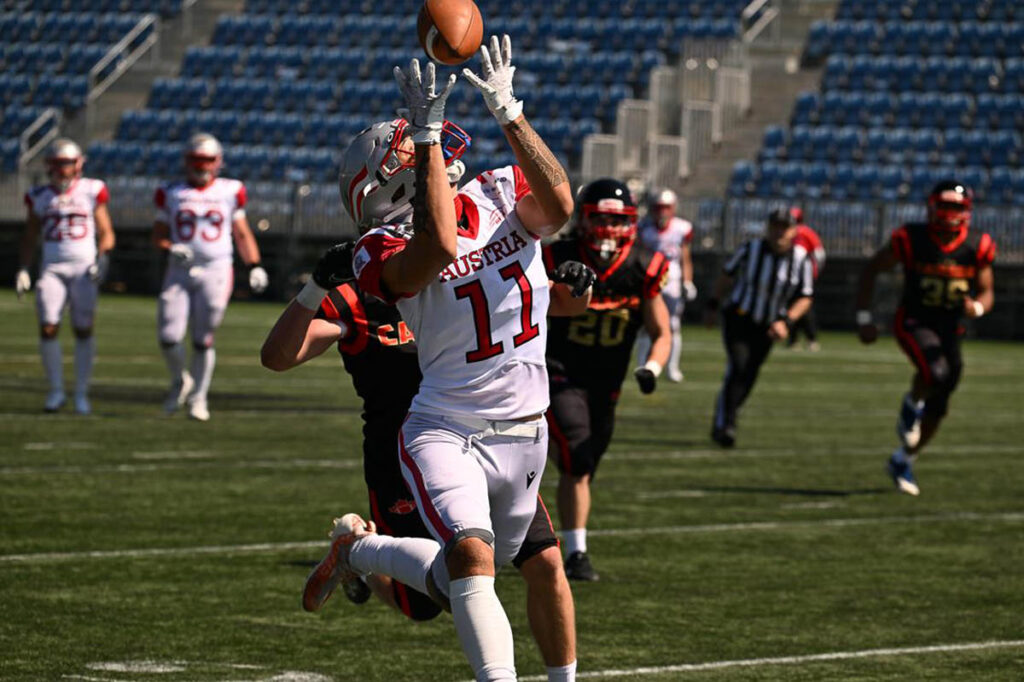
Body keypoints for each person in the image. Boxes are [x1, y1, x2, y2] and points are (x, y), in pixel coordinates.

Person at [303, 38, 576, 682]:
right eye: (416, 148)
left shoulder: (498, 191)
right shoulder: (377, 248)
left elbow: (560, 207)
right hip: (447, 428)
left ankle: (362, 548)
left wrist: (510, 111)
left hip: (525, 430)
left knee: (475, 570)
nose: (441, 151)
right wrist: (424, 138)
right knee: (474, 559)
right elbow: (441, 245)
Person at [260, 240, 594, 677]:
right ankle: (360, 552)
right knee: (430, 602)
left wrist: (577, 283)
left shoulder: (470, 257)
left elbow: (561, 305)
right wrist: (316, 287)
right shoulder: (361, 290)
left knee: (544, 562)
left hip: (486, 437)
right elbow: (278, 357)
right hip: (408, 450)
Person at [543, 178, 672, 582]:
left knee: (583, 465)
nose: (609, 229)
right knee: (577, 458)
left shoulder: (642, 266)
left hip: (606, 385)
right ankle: (577, 553)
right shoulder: (557, 256)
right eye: (600, 218)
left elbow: (661, 330)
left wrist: (652, 367)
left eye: (618, 221)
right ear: (583, 219)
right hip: (556, 372)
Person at [855, 180, 995, 496]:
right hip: (913, 320)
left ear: (967, 212)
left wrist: (977, 307)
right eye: (944, 206)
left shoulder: (977, 245)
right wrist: (864, 317)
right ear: (932, 206)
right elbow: (871, 269)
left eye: (956, 208)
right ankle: (911, 403)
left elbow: (987, 292)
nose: (949, 214)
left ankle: (904, 459)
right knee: (936, 371)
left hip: (951, 329)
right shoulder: (912, 238)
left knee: (941, 400)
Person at [151, 132, 269, 422]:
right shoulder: (171, 192)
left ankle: (199, 398)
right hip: (179, 270)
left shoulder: (230, 190)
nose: (201, 166)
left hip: (216, 268)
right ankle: (181, 379)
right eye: (196, 160)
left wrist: (253, 264)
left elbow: (241, 232)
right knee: (168, 336)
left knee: (203, 339)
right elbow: (158, 236)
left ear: (218, 162)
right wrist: (170, 248)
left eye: (206, 160)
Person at [17, 138, 115, 415]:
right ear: (49, 166)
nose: (63, 170)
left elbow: (106, 231)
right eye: (58, 164)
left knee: (83, 329)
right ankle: (57, 391)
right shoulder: (39, 195)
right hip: (52, 268)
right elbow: (30, 235)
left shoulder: (91, 190)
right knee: (48, 326)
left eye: (67, 164)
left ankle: (81, 393)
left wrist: (102, 258)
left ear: (78, 165)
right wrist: (23, 268)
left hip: (84, 268)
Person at [706, 207, 815, 447]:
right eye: (775, 226)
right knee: (738, 365)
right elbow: (726, 275)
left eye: (784, 227)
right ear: (768, 228)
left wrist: (786, 321)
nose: (779, 232)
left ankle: (725, 415)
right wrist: (713, 305)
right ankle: (727, 424)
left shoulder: (801, 259)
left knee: (750, 373)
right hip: (739, 317)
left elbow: (806, 296)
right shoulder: (750, 249)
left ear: (794, 231)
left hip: (769, 325)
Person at [636, 187, 694, 381]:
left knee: (673, 324)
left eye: (666, 207)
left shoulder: (681, 228)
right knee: (646, 324)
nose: (662, 212)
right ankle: (643, 364)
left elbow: (685, 258)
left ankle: (672, 367)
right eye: (659, 207)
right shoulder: (644, 228)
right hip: (650, 280)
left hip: (673, 281)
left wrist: (688, 281)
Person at [786, 207, 825, 352]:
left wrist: (814, 272)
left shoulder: (806, 232)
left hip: (805, 275)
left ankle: (811, 338)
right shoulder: (787, 233)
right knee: (790, 306)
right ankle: (793, 339)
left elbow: (819, 254)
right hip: (789, 276)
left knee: (805, 307)